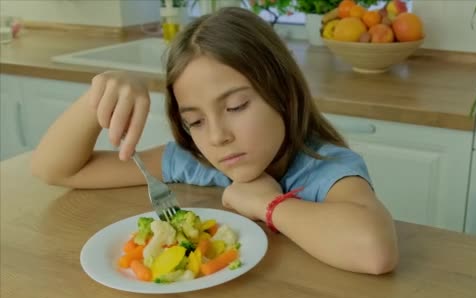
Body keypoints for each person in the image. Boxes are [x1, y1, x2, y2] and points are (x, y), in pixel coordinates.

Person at [31, 7, 398, 275]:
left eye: (236, 106)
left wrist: (267, 203)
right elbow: (56, 170)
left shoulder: (325, 166)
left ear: (283, 94)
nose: (219, 136)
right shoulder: (197, 159)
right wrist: (99, 95)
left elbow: (374, 251)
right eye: (195, 120)